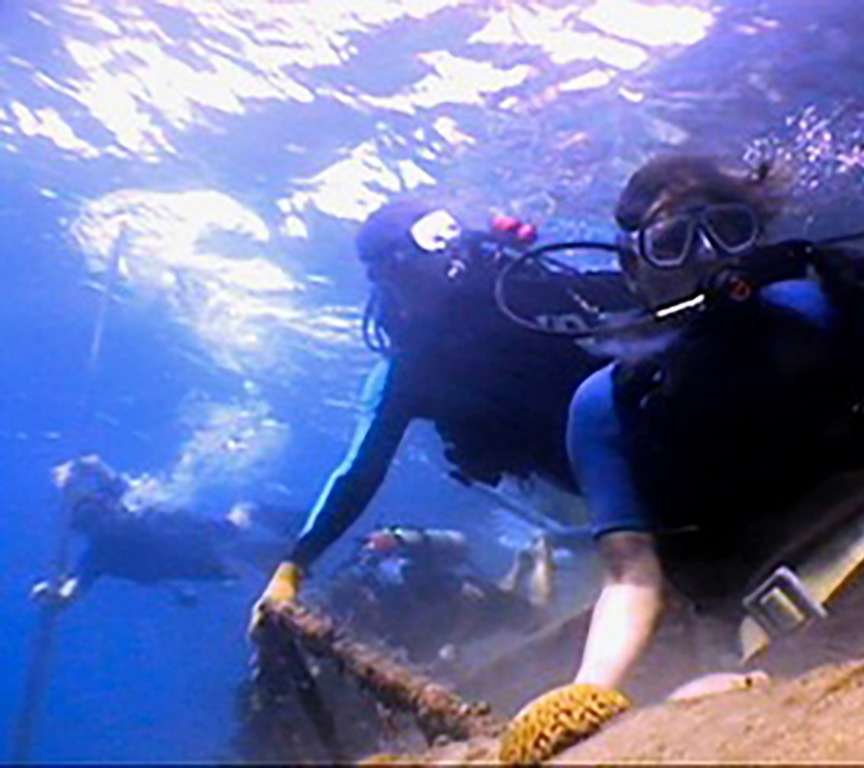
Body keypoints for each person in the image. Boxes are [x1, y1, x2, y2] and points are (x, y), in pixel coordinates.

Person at [552, 152, 864, 701]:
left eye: (727, 229)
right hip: (787, 646)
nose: (706, 257)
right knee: (699, 700)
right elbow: (630, 576)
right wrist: (587, 691)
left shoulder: (832, 303)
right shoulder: (609, 406)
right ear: (633, 266)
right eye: (673, 240)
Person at [252, 201, 630, 624]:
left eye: (448, 231)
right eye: (432, 239)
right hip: (587, 472)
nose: (451, 250)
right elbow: (360, 470)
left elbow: (641, 296)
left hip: (637, 433)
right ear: (395, 270)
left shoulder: (520, 287)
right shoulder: (410, 370)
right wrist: (295, 564)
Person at [31, 454, 241, 608]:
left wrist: (67, 476)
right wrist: (53, 595)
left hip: (189, 541)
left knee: (234, 532)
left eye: (101, 514)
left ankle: (242, 522)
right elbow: (72, 590)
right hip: (186, 561)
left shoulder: (117, 513)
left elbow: (95, 464)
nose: (103, 522)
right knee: (232, 562)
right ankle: (183, 586)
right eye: (93, 522)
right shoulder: (98, 557)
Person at [327, 525, 553, 661]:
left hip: (473, 608)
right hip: (469, 618)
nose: (365, 612)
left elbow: (465, 596)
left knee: (537, 616)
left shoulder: (397, 581)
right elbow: (417, 648)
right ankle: (522, 564)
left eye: (361, 606)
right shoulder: (377, 615)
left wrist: (448, 642)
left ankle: (544, 555)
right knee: (503, 601)